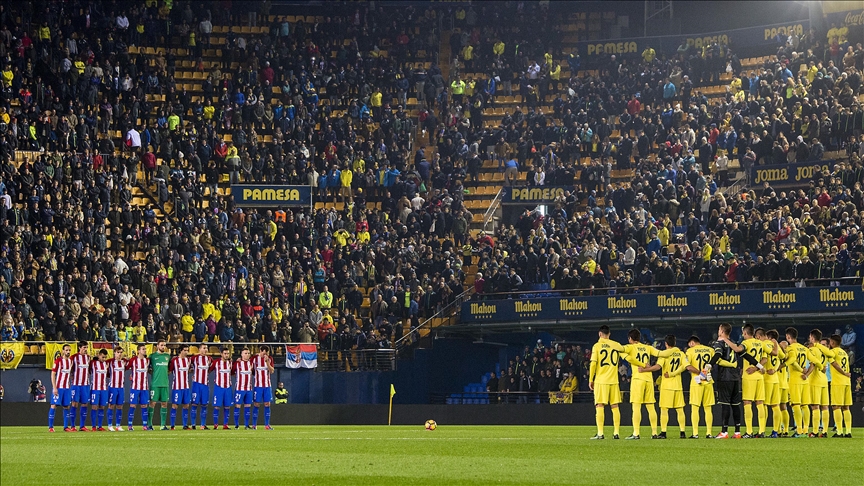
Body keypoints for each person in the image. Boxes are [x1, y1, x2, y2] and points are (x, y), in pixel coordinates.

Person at [711, 322, 763, 439]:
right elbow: (746, 355)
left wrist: (709, 365)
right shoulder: (735, 344)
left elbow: (718, 355)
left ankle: (724, 432)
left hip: (725, 377)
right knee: (736, 405)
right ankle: (737, 432)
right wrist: (759, 366)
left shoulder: (719, 343)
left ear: (722, 331)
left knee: (725, 404)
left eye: (719, 329)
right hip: (735, 378)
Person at [621, 329, 673, 439]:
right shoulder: (647, 347)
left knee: (636, 407)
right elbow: (660, 353)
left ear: (630, 339)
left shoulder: (630, 347)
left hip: (638, 379)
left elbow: (623, 352)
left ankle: (636, 433)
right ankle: (654, 433)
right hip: (649, 379)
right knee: (651, 407)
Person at [644, 335, 688, 439]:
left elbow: (658, 367)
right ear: (675, 342)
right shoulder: (681, 354)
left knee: (664, 410)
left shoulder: (664, 355)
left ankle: (663, 432)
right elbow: (685, 366)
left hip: (667, 385)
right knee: (680, 410)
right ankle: (682, 432)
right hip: (678, 386)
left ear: (666, 344)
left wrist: (647, 369)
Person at [588, 325, 626, 439]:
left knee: (600, 405)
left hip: (601, 380)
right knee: (615, 406)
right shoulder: (616, 345)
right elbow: (626, 353)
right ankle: (616, 433)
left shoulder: (597, 346)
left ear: (600, 334)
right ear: (609, 334)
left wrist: (591, 379)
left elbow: (593, 363)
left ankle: (600, 433)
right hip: (614, 381)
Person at [738, 323, 768, 438]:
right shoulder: (760, 343)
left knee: (747, 402)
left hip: (749, 376)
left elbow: (740, 351)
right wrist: (757, 368)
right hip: (759, 376)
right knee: (760, 403)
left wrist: (752, 368)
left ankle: (749, 431)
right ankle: (761, 431)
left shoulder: (745, 343)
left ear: (745, 333)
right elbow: (765, 358)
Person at [684, 335, 715, 438]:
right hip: (708, 381)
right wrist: (705, 373)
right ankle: (709, 433)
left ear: (692, 343)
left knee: (695, 408)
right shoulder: (710, 350)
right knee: (708, 408)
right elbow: (714, 364)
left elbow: (688, 367)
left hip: (696, 381)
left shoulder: (690, 351)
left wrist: (700, 373)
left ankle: (695, 433)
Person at [783, 327, 812, 437]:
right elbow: (814, 362)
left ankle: (799, 430)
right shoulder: (804, 348)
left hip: (795, 380)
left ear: (788, 337)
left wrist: (800, 370)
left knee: (796, 405)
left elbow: (793, 361)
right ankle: (805, 430)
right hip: (805, 380)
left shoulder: (791, 348)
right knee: (805, 406)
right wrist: (806, 374)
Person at [758, 328, 783, 438]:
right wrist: (776, 369)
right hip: (776, 379)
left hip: (766, 379)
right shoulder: (775, 345)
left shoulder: (764, 344)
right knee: (776, 406)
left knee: (764, 405)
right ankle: (775, 431)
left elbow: (765, 359)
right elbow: (783, 357)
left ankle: (762, 431)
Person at [806, 329, 831, 437]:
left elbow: (813, 364)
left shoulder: (812, 350)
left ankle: (815, 431)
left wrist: (806, 375)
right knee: (825, 407)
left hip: (815, 380)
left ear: (812, 337)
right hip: (824, 380)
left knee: (815, 406)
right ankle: (825, 431)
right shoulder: (825, 350)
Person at [827, 334, 853, 437]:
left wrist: (843, 373)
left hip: (838, 382)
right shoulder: (844, 352)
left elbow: (835, 364)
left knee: (835, 407)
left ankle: (839, 431)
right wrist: (846, 374)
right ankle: (848, 431)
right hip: (847, 382)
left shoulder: (833, 352)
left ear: (832, 342)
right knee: (846, 407)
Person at [48, 344, 73, 432]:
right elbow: (53, 374)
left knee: (66, 406)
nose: (68, 352)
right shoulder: (58, 361)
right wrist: (54, 388)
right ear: (63, 351)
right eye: (66, 350)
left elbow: (69, 375)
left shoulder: (71, 361)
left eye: (69, 350)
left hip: (67, 388)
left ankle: (66, 427)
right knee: (54, 405)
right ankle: (50, 427)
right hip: (59, 387)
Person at [126, 344, 151, 431]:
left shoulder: (147, 361)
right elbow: (125, 367)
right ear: (138, 351)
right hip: (135, 387)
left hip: (144, 387)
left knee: (144, 405)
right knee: (133, 405)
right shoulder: (133, 360)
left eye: (145, 349)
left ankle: (145, 425)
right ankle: (129, 425)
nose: (145, 350)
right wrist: (131, 375)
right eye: (143, 349)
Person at [149, 340, 171, 430]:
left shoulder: (167, 356)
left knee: (164, 404)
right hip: (155, 383)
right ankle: (149, 424)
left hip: (165, 384)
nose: (163, 347)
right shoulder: (152, 356)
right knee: (152, 403)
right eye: (161, 345)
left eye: (164, 345)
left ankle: (162, 425)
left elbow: (170, 369)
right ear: (157, 346)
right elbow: (147, 367)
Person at [251, 345, 275, 430]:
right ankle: (254, 425)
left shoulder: (270, 359)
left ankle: (267, 425)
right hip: (258, 386)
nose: (265, 355)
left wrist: (267, 362)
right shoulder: (254, 359)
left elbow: (272, 371)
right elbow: (250, 368)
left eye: (266, 353)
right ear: (260, 351)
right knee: (256, 404)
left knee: (267, 404)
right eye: (263, 353)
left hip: (267, 385)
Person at [70, 341, 92, 431]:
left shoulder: (88, 358)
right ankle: (72, 426)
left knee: (85, 404)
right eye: (84, 347)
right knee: (74, 403)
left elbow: (89, 370)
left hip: (85, 385)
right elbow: (70, 369)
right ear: (79, 347)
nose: (85, 349)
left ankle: (82, 426)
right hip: (76, 384)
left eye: (86, 347)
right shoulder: (74, 357)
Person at [170, 345, 192, 430]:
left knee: (186, 405)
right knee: (175, 406)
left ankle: (185, 425)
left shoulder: (188, 360)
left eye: (187, 350)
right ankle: (172, 425)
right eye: (185, 350)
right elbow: (170, 370)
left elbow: (190, 370)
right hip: (177, 387)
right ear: (180, 351)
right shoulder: (174, 360)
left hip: (186, 387)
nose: (186, 352)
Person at [211, 347, 234, 429]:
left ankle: (225, 425)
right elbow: (208, 370)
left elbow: (233, 372)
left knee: (227, 406)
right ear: (221, 354)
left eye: (228, 353)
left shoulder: (230, 363)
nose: (227, 355)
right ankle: (215, 424)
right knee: (217, 406)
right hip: (218, 387)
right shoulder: (216, 362)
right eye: (225, 353)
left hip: (228, 387)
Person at [192, 344, 213, 429]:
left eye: (207, 348)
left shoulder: (210, 359)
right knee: (194, 404)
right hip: (196, 384)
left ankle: (202, 425)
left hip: (205, 385)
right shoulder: (194, 358)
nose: (206, 350)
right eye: (204, 348)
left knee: (204, 405)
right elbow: (189, 366)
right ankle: (193, 425)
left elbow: (211, 369)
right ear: (199, 349)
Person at [89, 349, 110, 431]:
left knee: (102, 407)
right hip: (95, 388)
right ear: (99, 355)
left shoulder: (106, 364)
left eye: (105, 357)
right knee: (94, 406)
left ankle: (100, 426)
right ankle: (93, 426)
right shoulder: (93, 363)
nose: (104, 359)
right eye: (102, 357)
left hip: (104, 389)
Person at [107, 346, 127, 431]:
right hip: (112, 387)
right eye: (118, 352)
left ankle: (118, 425)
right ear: (114, 353)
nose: (119, 354)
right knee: (111, 405)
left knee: (120, 406)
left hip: (121, 388)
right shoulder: (110, 362)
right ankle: (110, 425)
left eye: (121, 352)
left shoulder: (124, 362)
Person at [234, 348, 254, 429]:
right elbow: (231, 372)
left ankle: (246, 425)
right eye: (245, 353)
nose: (247, 355)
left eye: (248, 353)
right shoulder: (237, 363)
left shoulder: (251, 363)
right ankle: (236, 425)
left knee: (248, 407)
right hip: (240, 388)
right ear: (241, 354)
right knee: (237, 406)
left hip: (249, 389)